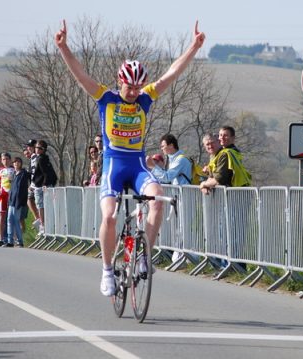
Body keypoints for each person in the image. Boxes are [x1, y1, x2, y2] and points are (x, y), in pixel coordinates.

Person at [55, 19, 205, 296]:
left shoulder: (146, 99)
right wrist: (64, 48)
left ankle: (145, 255)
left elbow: (171, 74)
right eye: (130, 88)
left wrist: (193, 47)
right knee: (110, 217)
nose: (135, 94)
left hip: (136, 165)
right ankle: (107, 270)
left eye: (138, 89)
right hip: (113, 165)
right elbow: (80, 76)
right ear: (120, 83)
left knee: (157, 197)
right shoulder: (105, 97)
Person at [199, 126, 251, 194]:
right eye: (220, 135)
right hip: (239, 192)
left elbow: (219, 178)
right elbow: (214, 176)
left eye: (226, 135)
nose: (222, 138)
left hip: (237, 193)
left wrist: (204, 184)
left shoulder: (226, 153)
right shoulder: (227, 152)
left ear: (233, 138)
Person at [32, 140, 58, 234]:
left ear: (44, 150)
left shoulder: (41, 159)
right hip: (42, 185)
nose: (37, 149)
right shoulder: (43, 159)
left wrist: (44, 184)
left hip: (41, 187)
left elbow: (46, 173)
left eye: (39, 148)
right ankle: (45, 225)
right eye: (36, 147)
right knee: (43, 206)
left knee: (41, 206)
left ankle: (43, 226)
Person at [4, 157, 30, 247]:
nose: (16, 164)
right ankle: (10, 241)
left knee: (16, 221)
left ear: (21, 164)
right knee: (9, 220)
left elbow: (22, 190)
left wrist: (20, 202)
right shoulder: (14, 174)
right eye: (15, 162)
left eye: (18, 162)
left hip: (18, 202)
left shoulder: (23, 174)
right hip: (11, 201)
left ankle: (20, 241)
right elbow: (12, 189)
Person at [0, 153, 14, 247]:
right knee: (1, 216)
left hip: (12, 196)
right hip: (2, 197)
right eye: (3, 159)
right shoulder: (0, 171)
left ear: (10, 159)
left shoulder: (14, 170)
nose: (5, 161)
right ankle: (1, 239)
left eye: (7, 159)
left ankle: (13, 239)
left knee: (12, 217)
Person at [24, 139, 41, 231]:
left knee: (38, 203)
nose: (29, 148)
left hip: (38, 185)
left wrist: (33, 184)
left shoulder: (37, 157)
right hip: (33, 184)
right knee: (30, 200)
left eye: (31, 146)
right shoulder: (32, 158)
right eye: (28, 146)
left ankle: (39, 219)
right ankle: (38, 218)